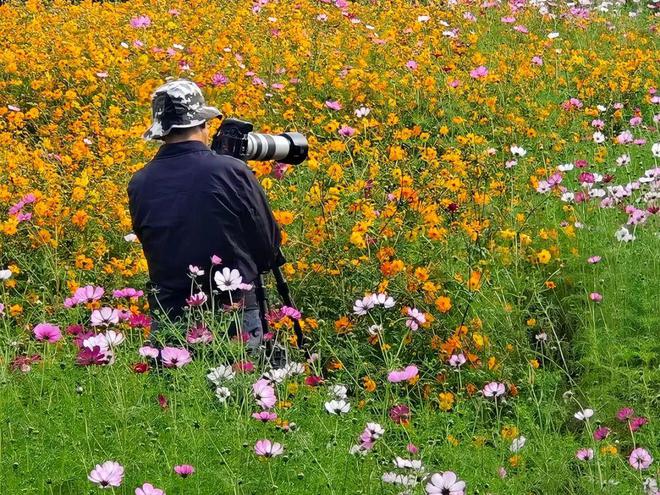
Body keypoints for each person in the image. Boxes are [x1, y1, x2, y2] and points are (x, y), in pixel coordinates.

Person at [127, 78, 285, 354]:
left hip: (171, 314)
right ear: (203, 124)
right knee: (240, 392)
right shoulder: (229, 171)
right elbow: (268, 245)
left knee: (175, 395)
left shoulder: (139, 182)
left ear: (161, 132)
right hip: (233, 311)